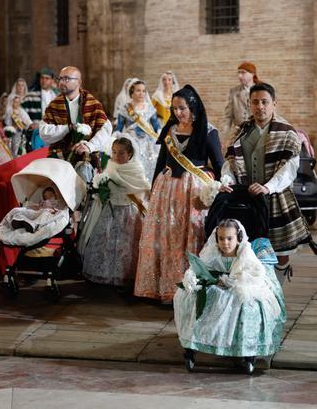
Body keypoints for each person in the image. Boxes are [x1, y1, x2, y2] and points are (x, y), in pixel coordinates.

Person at [134, 85, 224, 303]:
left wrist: (217, 188)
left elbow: (220, 166)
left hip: (192, 191)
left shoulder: (208, 132)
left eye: (182, 108)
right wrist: (154, 186)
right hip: (167, 190)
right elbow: (160, 161)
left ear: (193, 107)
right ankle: (163, 288)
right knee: (166, 235)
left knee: (189, 235)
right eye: (174, 109)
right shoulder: (170, 129)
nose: (177, 113)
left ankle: (189, 288)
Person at [221, 82, 317, 281]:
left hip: (276, 198)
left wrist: (268, 187)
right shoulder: (240, 132)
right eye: (255, 102)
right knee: (246, 249)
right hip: (245, 199)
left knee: (280, 252)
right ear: (249, 104)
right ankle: (253, 296)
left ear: (274, 103)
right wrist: (226, 181)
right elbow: (230, 163)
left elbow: (289, 169)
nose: (260, 107)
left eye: (265, 102)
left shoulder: (287, 132)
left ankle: (277, 295)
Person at [174, 219, 286, 359]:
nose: (225, 243)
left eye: (229, 238)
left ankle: (241, 346)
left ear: (238, 238)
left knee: (243, 303)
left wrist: (235, 280)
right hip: (217, 287)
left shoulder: (245, 254)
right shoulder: (214, 254)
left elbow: (256, 273)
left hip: (240, 286)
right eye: (221, 239)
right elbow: (201, 267)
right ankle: (196, 339)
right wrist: (194, 278)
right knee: (191, 295)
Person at [80, 135, 151, 289]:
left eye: (121, 153)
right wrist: (101, 190)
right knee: (106, 242)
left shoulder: (136, 169)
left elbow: (143, 189)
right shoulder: (110, 167)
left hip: (129, 212)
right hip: (110, 211)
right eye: (114, 152)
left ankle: (125, 276)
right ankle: (104, 275)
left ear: (130, 154)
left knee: (126, 246)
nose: (116, 156)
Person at [39, 66, 111, 169]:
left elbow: (105, 129)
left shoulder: (93, 103)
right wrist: (68, 128)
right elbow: (43, 132)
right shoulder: (54, 105)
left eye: (66, 78)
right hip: (60, 159)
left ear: (78, 82)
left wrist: (89, 146)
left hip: (87, 158)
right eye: (60, 78)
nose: (62, 82)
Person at [115, 79, 161, 179]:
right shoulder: (126, 108)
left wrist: (160, 134)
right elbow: (118, 128)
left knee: (148, 170)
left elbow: (157, 126)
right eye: (138, 90)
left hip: (148, 144)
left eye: (144, 91)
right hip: (131, 142)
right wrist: (114, 138)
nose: (141, 93)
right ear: (132, 92)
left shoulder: (149, 108)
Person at [222, 62, 260, 143]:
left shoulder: (261, 90)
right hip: (239, 136)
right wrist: (221, 138)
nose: (239, 76)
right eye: (239, 73)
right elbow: (228, 117)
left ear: (252, 74)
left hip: (259, 134)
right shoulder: (234, 92)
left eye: (243, 72)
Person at [23, 68, 58, 151]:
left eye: (47, 78)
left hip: (54, 132)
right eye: (42, 78)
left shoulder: (58, 96)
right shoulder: (31, 95)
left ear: (52, 80)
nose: (44, 81)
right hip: (37, 132)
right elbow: (21, 111)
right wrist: (30, 124)